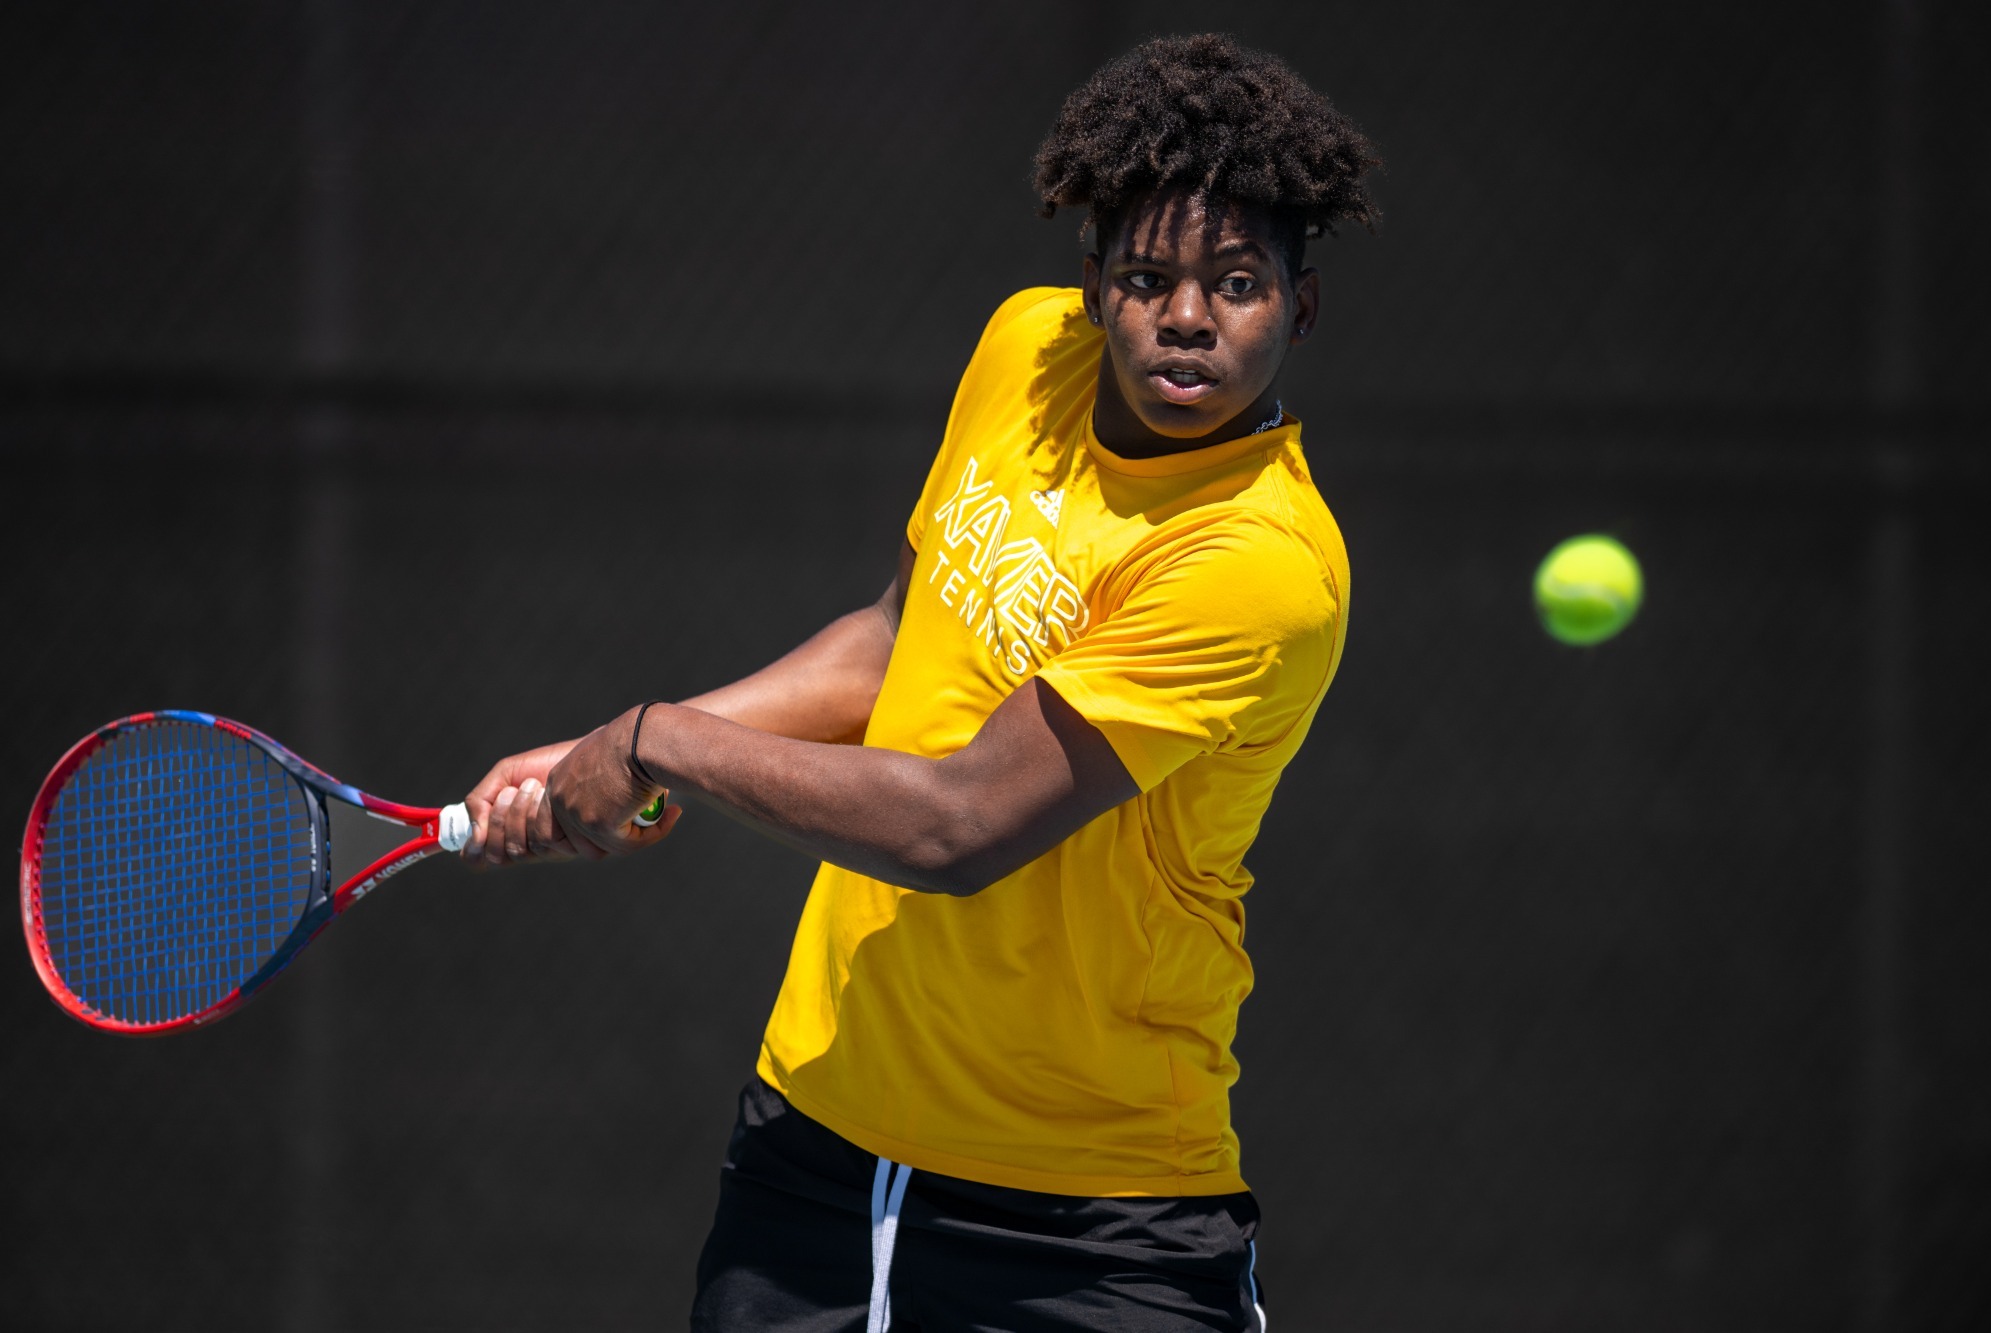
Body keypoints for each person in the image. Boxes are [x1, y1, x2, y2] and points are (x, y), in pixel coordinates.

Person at [459, 33, 1380, 1332]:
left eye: (1237, 283)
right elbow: (893, 640)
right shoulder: (1027, 351)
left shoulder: (1257, 561)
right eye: (1146, 278)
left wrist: (659, 742)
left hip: (1087, 1226)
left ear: (1301, 305)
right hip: (815, 1148)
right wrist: (595, 759)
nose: (1187, 316)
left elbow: (959, 825)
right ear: (1092, 285)